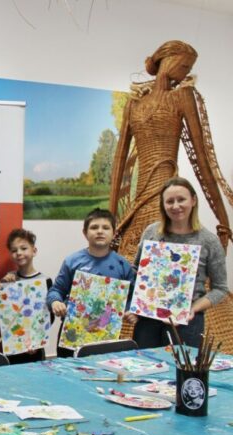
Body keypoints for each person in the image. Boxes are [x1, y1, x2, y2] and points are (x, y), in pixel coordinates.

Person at [110, 40, 231, 260]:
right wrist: (109, 221)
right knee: (131, 264)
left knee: (169, 266)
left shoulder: (182, 96)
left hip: (168, 202)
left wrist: (223, 220)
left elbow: (202, 161)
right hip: (141, 204)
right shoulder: (134, 103)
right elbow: (119, 164)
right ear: (167, 61)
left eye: (189, 69)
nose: (185, 74)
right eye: (184, 66)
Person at [127, 177, 228, 348]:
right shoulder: (151, 232)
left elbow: (220, 288)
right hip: (147, 319)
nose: (175, 206)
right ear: (163, 205)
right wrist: (132, 303)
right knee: (142, 363)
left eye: (181, 199)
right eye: (169, 201)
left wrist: (193, 308)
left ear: (193, 200)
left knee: (180, 365)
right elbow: (136, 270)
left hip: (186, 322)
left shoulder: (209, 241)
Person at [47, 208, 136, 356]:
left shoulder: (122, 265)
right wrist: (55, 302)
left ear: (114, 233)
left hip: (107, 336)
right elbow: (56, 290)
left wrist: (130, 311)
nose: (100, 231)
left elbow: (132, 296)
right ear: (85, 233)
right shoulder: (72, 261)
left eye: (105, 228)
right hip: (72, 333)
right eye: (94, 227)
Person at [0, 228, 52, 364]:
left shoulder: (45, 281)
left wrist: (37, 341)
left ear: (34, 251)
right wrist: (3, 286)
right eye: (14, 250)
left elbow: (49, 316)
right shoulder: (8, 281)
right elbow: (2, 313)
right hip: (13, 345)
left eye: (24, 248)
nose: (19, 253)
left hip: (35, 348)